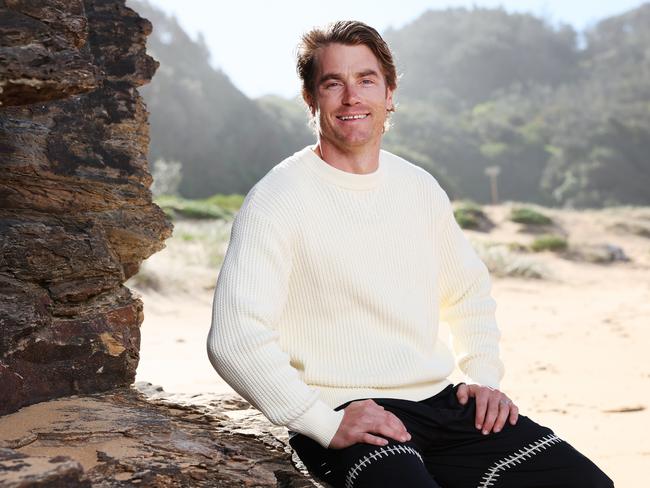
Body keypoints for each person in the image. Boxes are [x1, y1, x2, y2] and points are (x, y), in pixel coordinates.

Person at [207, 20, 613, 488]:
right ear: (310, 99)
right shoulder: (278, 196)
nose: (351, 97)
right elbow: (234, 338)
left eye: (366, 80)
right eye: (333, 83)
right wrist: (321, 422)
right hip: (348, 412)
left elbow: (468, 292)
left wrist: (482, 377)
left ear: (389, 93)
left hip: (443, 403)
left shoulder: (418, 187)